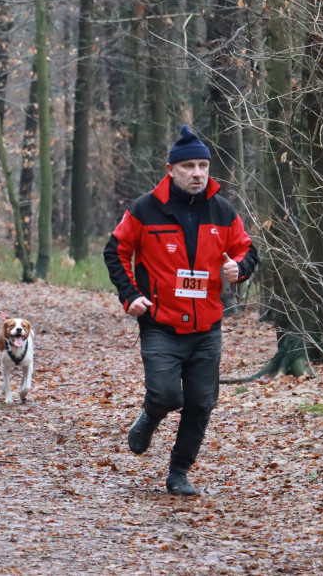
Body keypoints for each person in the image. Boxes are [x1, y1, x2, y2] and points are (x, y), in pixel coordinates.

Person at [104, 125, 258, 495]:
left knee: (202, 403)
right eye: (188, 165)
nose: (198, 173)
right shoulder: (145, 208)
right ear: (171, 169)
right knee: (166, 395)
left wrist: (241, 268)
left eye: (203, 165)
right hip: (160, 323)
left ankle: (178, 472)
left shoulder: (222, 209)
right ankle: (149, 417)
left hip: (207, 326)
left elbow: (247, 250)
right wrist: (131, 295)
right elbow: (116, 250)